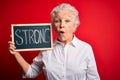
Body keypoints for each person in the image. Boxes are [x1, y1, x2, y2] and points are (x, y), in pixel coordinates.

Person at [8, 3, 100, 80]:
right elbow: (31, 72)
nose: (62, 25)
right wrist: (16, 54)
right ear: (53, 26)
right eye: (57, 21)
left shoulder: (85, 49)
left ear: (75, 26)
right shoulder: (46, 49)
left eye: (67, 21)